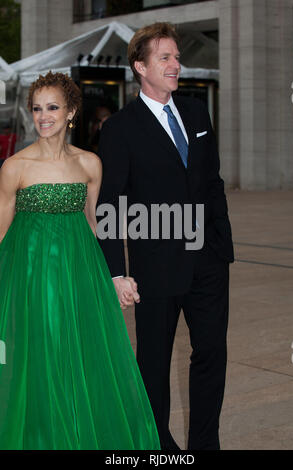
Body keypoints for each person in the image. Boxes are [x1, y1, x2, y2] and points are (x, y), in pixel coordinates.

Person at [0, 71, 160, 450]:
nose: (44, 116)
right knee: (40, 359)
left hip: (80, 277)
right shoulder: (15, 167)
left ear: (71, 111)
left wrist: (114, 278)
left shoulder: (90, 164)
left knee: (83, 360)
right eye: (37, 109)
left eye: (53, 107)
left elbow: (96, 227)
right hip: (31, 279)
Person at [97, 23, 234, 450]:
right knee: (154, 365)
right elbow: (109, 205)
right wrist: (117, 272)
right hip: (155, 268)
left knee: (211, 354)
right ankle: (159, 449)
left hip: (208, 260)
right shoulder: (120, 129)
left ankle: (204, 445)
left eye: (176, 57)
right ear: (141, 67)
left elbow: (211, 182)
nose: (176, 65)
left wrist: (220, 242)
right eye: (166, 58)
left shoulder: (196, 112)